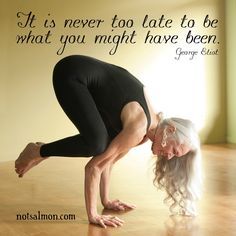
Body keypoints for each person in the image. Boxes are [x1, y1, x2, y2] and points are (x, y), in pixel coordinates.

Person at [15, 55, 202, 228]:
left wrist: (106, 201)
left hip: (85, 79)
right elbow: (93, 167)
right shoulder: (139, 129)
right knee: (97, 144)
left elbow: (109, 162)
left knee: (102, 145)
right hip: (71, 73)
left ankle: (40, 151)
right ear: (170, 130)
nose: (169, 157)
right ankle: (38, 151)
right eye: (174, 151)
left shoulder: (145, 134)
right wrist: (93, 215)